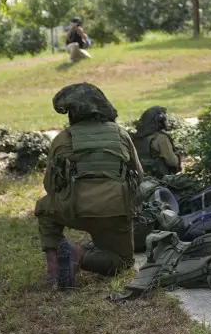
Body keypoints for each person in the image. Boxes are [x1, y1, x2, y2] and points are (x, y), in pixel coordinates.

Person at [35, 83, 143, 289]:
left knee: (45, 208)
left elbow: (50, 185)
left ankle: (54, 267)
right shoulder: (120, 134)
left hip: (74, 210)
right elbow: (138, 176)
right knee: (122, 262)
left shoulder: (62, 139)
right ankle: (79, 254)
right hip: (114, 211)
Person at [132, 105, 182, 179]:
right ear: (160, 121)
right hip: (160, 181)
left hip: (140, 179)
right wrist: (178, 157)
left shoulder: (135, 137)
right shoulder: (160, 138)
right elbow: (172, 162)